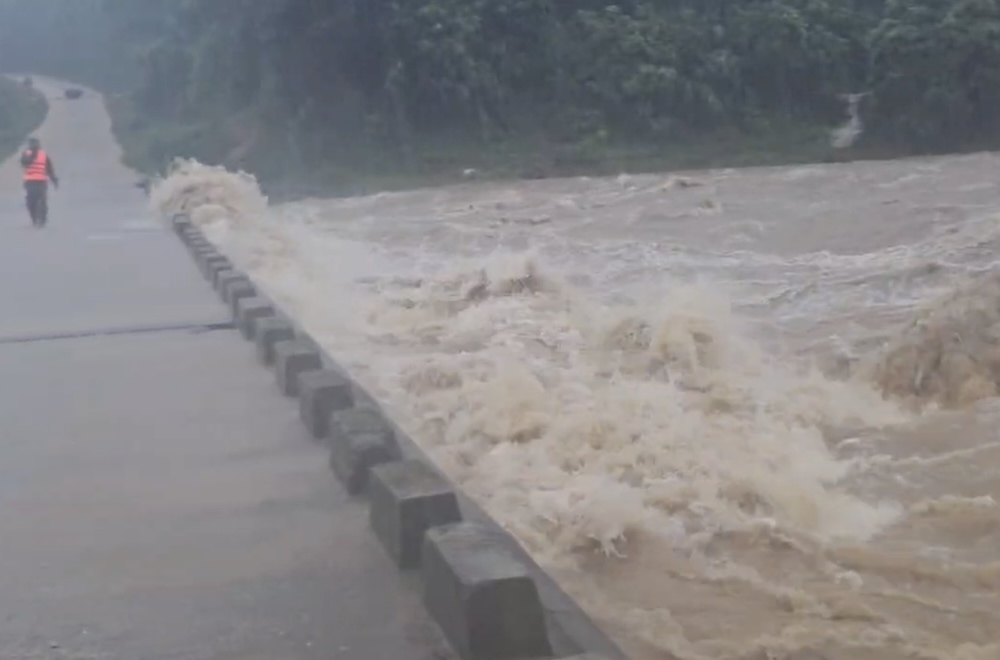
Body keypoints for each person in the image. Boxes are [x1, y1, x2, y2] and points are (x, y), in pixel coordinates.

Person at [20, 136, 58, 227]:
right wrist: (33, 155)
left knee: (42, 200)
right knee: (30, 201)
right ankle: (34, 218)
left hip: (41, 181)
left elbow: (49, 169)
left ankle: (43, 219)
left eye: (35, 144)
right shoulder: (26, 154)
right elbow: (24, 163)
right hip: (30, 182)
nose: (33, 146)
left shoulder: (43, 155)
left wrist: (54, 180)